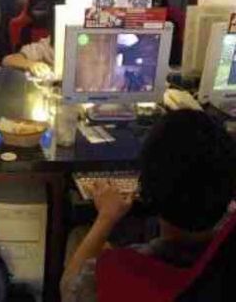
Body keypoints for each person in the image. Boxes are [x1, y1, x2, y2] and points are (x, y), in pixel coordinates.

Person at [60, 109, 236, 302]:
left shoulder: (118, 272)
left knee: (78, 234)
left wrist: (106, 217)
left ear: (146, 190)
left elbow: (70, 290)